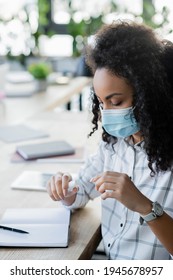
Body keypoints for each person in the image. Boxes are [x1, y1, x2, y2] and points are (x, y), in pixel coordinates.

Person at [47, 20, 173, 260]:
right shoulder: (114, 145)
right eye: (101, 103)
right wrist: (66, 190)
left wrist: (144, 206)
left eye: (116, 102)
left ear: (150, 95)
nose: (108, 113)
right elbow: (82, 188)